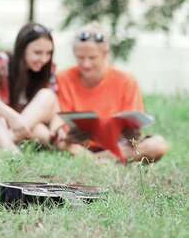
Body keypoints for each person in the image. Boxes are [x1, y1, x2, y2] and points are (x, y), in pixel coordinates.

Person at [56, 22, 168, 162]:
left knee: (157, 145)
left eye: (92, 58)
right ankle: (103, 160)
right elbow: (62, 126)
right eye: (80, 57)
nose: (86, 64)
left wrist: (133, 134)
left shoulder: (126, 80)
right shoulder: (63, 78)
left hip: (118, 145)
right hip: (79, 145)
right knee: (60, 141)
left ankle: (95, 160)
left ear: (106, 54)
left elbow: (134, 130)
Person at [0, 22, 63, 157]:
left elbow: (54, 109)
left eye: (48, 53)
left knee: (47, 96)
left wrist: (57, 130)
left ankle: (3, 146)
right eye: (37, 52)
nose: (44, 59)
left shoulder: (47, 71)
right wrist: (12, 116)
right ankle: (10, 151)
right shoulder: (0, 61)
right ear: (22, 49)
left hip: (16, 134)